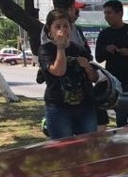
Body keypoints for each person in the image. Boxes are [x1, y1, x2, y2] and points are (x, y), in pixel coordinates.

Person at [38, 8, 99, 139]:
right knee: (63, 149)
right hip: (58, 108)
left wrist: (87, 67)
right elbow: (59, 71)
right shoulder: (45, 50)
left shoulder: (79, 49)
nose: (62, 30)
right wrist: (60, 47)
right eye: (57, 26)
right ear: (50, 29)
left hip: (85, 107)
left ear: (71, 28)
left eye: (66, 26)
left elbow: (94, 78)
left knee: (89, 146)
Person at [96, 0, 128, 126]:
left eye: (109, 13)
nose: (106, 16)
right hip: (116, 83)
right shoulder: (104, 34)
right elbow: (98, 57)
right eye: (105, 13)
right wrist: (106, 49)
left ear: (120, 13)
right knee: (121, 116)